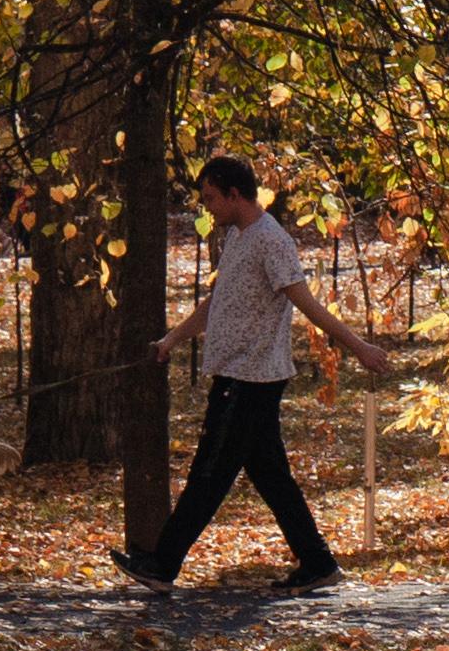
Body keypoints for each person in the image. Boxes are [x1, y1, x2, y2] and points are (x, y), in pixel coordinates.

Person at [123, 153, 408, 594]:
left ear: (235, 194)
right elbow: (217, 304)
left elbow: (306, 303)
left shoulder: (272, 241)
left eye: (212, 198)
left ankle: (162, 565)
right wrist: (171, 340)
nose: (208, 208)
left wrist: (360, 348)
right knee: (271, 477)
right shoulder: (237, 238)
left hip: (250, 379)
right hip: (236, 374)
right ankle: (318, 564)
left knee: (209, 472)